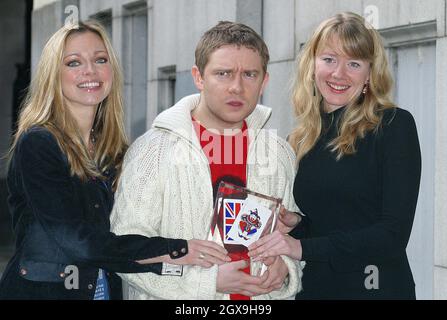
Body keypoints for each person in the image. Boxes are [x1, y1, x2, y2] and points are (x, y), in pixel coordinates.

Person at [0, 20, 230, 300]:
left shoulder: (114, 150)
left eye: (100, 59)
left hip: (104, 289)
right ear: (53, 74)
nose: (90, 71)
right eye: (73, 63)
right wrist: (177, 249)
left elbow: (126, 234)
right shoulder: (38, 143)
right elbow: (79, 243)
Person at [110, 21, 302, 300]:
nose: (237, 87)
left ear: (264, 81)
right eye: (223, 74)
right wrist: (205, 282)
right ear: (198, 77)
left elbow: (296, 237)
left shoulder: (278, 152)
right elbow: (124, 250)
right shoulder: (153, 151)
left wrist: (286, 268)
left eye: (249, 74)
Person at [248, 12, 421, 299]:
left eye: (353, 63)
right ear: (312, 64)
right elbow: (337, 224)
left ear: (369, 73)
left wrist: (301, 247)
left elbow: (392, 235)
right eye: (329, 59)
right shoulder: (303, 137)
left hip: (376, 288)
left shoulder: (393, 125)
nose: (339, 73)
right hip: (316, 288)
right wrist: (298, 225)